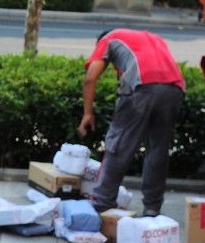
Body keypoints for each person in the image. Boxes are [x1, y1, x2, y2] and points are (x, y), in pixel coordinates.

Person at [78, 28, 186, 217]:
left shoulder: (108, 39)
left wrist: (87, 113)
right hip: (174, 89)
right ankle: (152, 208)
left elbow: (90, 78)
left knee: (119, 145)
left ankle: (102, 204)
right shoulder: (153, 37)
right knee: (158, 151)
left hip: (142, 88)